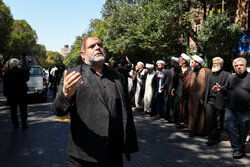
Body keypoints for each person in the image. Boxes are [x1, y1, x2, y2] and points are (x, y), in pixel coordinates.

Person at [53, 36, 138, 166]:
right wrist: (66, 95)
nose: (97, 47)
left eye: (100, 44)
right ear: (83, 55)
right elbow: (58, 110)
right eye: (92, 46)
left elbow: (125, 111)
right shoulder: (73, 75)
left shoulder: (118, 76)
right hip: (85, 155)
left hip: (114, 153)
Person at [212, 57, 250, 159]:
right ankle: (237, 148)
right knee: (231, 128)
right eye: (236, 66)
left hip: (245, 109)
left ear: (245, 65)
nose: (238, 67)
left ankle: (240, 146)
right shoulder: (231, 78)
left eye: (241, 65)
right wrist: (220, 89)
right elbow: (225, 89)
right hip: (231, 108)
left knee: (243, 129)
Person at [202, 57, 230, 146]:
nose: (214, 64)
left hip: (220, 100)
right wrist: (203, 97)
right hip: (210, 100)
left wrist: (221, 88)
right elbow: (206, 87)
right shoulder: (209, 74)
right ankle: (211, 137)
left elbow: (228, 89)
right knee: (209, 119)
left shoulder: (226, 75)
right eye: (213, 62)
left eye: (216, 63)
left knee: (219, 121)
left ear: (221, 65)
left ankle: (216, 137)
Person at [3, 58, 29, 130]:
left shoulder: (7, 73)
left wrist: (5, 94)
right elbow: (27, 78)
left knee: (13, 111)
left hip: (12, 94)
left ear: (11, 65)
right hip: (22, 93)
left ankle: (15, 125)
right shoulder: (22, 72)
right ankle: (24, 124)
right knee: (23, 110)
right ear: (18, 64)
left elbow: (5, 85)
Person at [187, 55, 210, 136]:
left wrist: (204, 96)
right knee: (193, 113)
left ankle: (201, 131)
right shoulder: (193, 72)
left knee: (201, 114)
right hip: (193, 97)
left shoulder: (205, 71)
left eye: (193, 62)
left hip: (201, 97)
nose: (192, 64)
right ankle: (192, 129)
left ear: (198, 63)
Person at [176, 53, 192, 129]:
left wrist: (183, 73)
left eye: (180, 60)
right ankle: (181, 121)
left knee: (186, 107)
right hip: (179, 90)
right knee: (180, 107)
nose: (179, 61)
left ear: (184, 61)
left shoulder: (189, 69)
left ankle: (186, 122)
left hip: (186, 91)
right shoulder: (179, 68)